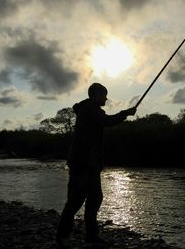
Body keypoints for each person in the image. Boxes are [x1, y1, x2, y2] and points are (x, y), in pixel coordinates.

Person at [56, 83, 137, 248]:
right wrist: (126, 113)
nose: (106, 98)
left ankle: (91, 235)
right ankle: (62, 236)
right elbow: (107, 121)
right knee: (75, 201)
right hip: (81, 162)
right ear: (96, 94)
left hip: (91, 163)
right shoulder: (89, 108)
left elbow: (103, 122)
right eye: (104, 95)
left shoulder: (89, 108)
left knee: (95, 198)